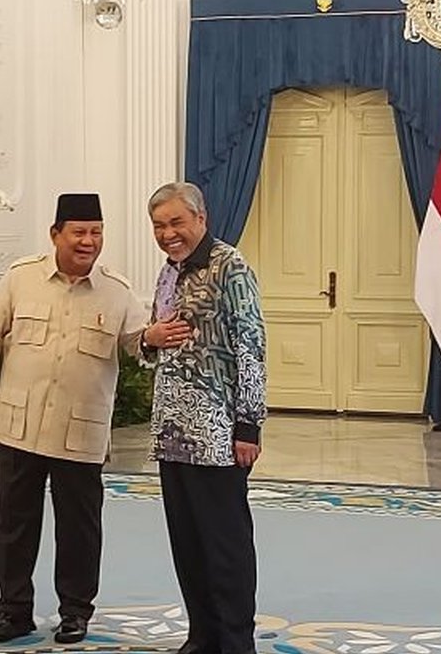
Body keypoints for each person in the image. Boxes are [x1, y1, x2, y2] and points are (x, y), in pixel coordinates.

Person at [0, 193, 151, 645]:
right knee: (14, 523)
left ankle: (76, 612)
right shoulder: (21, 278)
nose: (89, 241)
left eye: (97, 232)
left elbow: (137, 346)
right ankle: (13, 611)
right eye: (79, 232)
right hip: (17, 426)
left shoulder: (118, 290)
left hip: (79, 431)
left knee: (79, 527)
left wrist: (153, 339)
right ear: (56, 234)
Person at [141, 182, 267, 654]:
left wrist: (248, 424)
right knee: (188, 543)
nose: (168, 233)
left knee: (225, 545)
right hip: (172, 432)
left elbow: (251, 347)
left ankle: (236, 640)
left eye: (176, 222)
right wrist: (148, 339)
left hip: (217, 434)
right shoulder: (168, 272)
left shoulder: (230, 267)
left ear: (201, 219)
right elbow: (161, 343)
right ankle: (203, 633)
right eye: (159, 225)